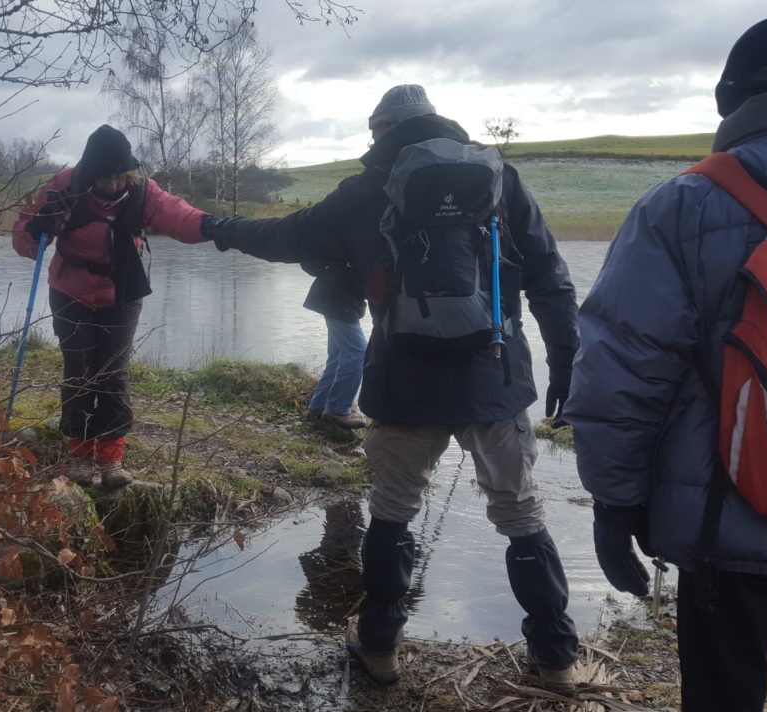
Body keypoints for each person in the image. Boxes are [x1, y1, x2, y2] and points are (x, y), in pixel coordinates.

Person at [204, 85, 580, 690]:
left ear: (381, 131)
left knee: (392, 514)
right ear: (439, 123)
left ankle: (380, 648)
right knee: (520, 513)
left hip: (405, 377)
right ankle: (558, 659)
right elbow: (548, 274)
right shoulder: (497, 177)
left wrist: (212, 225)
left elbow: (280, 238)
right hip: (497, 374)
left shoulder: (366, 189)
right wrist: (566, 359)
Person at [564, 15, 767, 712]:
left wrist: (616, 499)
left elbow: (624, 370)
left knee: (725, 691)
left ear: (732, 100)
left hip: (734, 510)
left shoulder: (686, 204)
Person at [12, 124, 211, 488]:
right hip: (70, 291)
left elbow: (177, 215)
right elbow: (25, 240)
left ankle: (111, 460)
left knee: (113, 374)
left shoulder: (142, 191)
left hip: (121, 292)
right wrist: (38, 226)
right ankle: (80, 456)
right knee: (79, 372)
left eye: (121, 177)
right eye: (107, 179)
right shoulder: (65, 186)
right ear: (91, 174)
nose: (115, 185)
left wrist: (214, 227)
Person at [301, 260, 367, 429]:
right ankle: (337, 410)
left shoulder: (352, 238)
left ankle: (318, 407)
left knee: (339, 355)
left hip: (334, 296)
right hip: (339, 298)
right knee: (358, 353)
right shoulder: (362, 238)